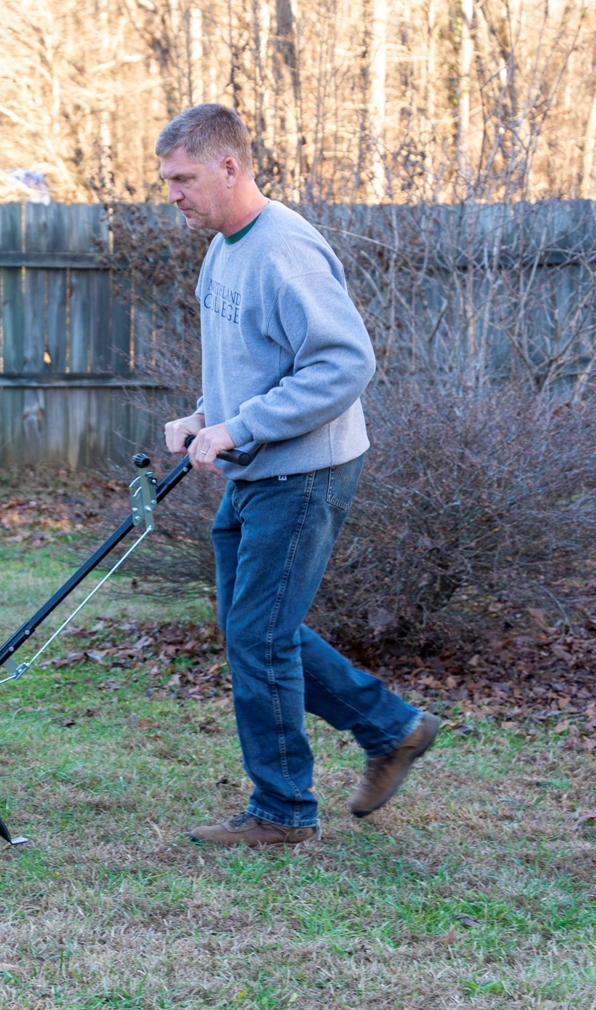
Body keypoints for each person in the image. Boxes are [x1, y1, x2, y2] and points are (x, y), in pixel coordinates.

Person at [156, 103, 439, 847]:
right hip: (259, 468)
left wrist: (239, 428)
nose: (173, 195)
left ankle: (281, 812)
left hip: (302, 471)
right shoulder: (224, 247)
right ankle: (391, 727)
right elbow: (254, 360)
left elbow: (343, 363)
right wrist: (203, 415)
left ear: (229, 166)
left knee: (258, 634)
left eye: (183, 178)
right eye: (167, 182)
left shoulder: (284, 249)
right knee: (251, 629)